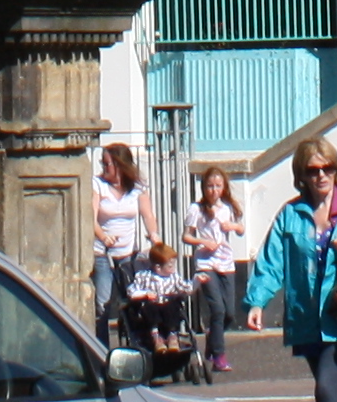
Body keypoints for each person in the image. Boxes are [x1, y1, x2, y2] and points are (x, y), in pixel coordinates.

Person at [244, 135, 337, 402]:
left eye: (328, 168)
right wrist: (257, 302)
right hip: (307, 318)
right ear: (302, 175)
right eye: (313, 170)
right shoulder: (290, 214)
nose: (321, 176)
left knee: (326, 387)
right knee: (333, 387)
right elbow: (271, 262)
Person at [186, 163, 248, 381]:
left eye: (218, 186)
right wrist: (203, 242)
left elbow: (241, 229)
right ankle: (219, 356)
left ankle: (213, 342)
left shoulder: (227, 207)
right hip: (206, 264)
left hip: (226, 263)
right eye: (210, 186)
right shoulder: (196, 209)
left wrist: (234, 227)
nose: (214, 190)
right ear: (204, 188)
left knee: (230, 312)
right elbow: (186, 236)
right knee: (218, 309)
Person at [93, 142, 148, 334]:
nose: (104, 168)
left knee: (133, 300)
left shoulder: (137, 188)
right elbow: (90, 218)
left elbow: (148, 216)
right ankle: (101, 350)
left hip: (127, 253)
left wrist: (155, 236)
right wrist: (102, 236)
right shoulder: (98, 184)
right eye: (103, 163)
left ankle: (135, 343)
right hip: (103, 253)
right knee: (103, 304)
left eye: (107, 164)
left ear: (120, 166)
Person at [126, 236, 199, 380]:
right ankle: (156, 337)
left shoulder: (174, 277)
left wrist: (197, 281)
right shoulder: (143, 277)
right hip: (150, 309)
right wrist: (145, 294)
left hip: (168, 308)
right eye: (170, 266)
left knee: (173, 305)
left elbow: (186, 289)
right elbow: (131, 291)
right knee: (149, 307)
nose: (173, 269)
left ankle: (172, 336)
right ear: (158, 267)